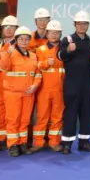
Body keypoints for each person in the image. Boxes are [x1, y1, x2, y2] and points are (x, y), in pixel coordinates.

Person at [0, 27, 41, 157]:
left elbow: (38, 74)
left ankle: (23, 143)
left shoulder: (33, 56)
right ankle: (13, 145)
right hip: (13, 93)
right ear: (16, 40)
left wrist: (35, 85)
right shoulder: (9, 53)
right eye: (21, 39)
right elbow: (3, 67)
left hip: (28, 93)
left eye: (27, 39)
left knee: (25, 120)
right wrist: (7, 54)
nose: (24, 41)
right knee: (13, 119)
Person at [58, 10, 90, 153]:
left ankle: (84, 142)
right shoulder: (67, 40)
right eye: (79, 23)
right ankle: (66, 144)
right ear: (75, 24)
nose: (82, 26)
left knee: (87, 114)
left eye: (85, 23)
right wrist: (68, 50)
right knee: (70, 113)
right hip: (72, 83)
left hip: (87, 83)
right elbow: (59, 56)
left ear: (88, 25)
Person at [32, 20, 65, 153]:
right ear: (46, 33)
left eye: (56, 32)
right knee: (42, 116)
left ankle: (54, 142)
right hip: (44, 89)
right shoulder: (40, 50)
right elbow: (37, 67)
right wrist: (46, 63)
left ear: (60, 34)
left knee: (57, 116)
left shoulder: (64, 49)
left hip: (60, 88)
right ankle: (38, 142)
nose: (53, 35)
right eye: (51, 32)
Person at [0, 14, 18, 152]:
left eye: (11, 27)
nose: (8, 29)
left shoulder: (19, 47)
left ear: (16, 29)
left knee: (12, 115)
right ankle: (1, 139)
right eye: (5, 27)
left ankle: (12, 140)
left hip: (12, 87)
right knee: (0, 115)